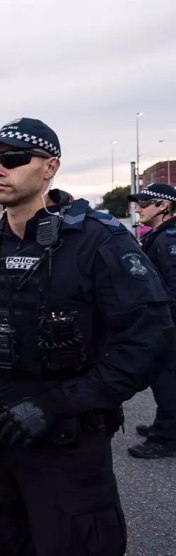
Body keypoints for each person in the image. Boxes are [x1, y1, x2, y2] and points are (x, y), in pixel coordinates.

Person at [0, 118, 173, 556]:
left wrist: (57, 404)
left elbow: (149, 339)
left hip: (67, 445)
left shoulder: (97, 242)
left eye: (13, 159)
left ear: (50, 167)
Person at [125, 182, 176, 459]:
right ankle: (164, 424)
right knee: (163, 379)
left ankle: (166, 438)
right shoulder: (160, 235)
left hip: (168, 324)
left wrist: (162, 326)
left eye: (145, 203)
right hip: (165, 322)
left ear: (164, 206)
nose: (139, 208)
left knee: (167, 380)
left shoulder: (169, 240)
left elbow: (172, 288)